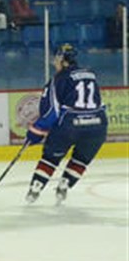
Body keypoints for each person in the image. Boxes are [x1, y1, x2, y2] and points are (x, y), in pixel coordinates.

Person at [25, 44, 108, 205]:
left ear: (62, 60)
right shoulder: (91, 75)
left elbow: (51, 112)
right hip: (98, 125)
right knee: (82, 159)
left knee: (50, 157)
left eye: (56, 58)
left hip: (70, 125)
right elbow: (101, 104)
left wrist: (35, 132)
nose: (54, 62)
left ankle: (35, 188)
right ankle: (65, 184)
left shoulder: (58, 79)